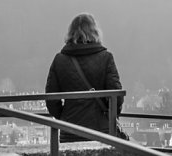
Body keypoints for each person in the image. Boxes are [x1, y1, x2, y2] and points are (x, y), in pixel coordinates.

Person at [45, 13, 123, 142]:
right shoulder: (106, 58)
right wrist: (109, 115)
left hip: (70, 130)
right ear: (95, 32)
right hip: (101, 131)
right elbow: (117, 96)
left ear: (71, 33)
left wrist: (64, 117)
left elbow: (51, 99)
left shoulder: (59, 60)